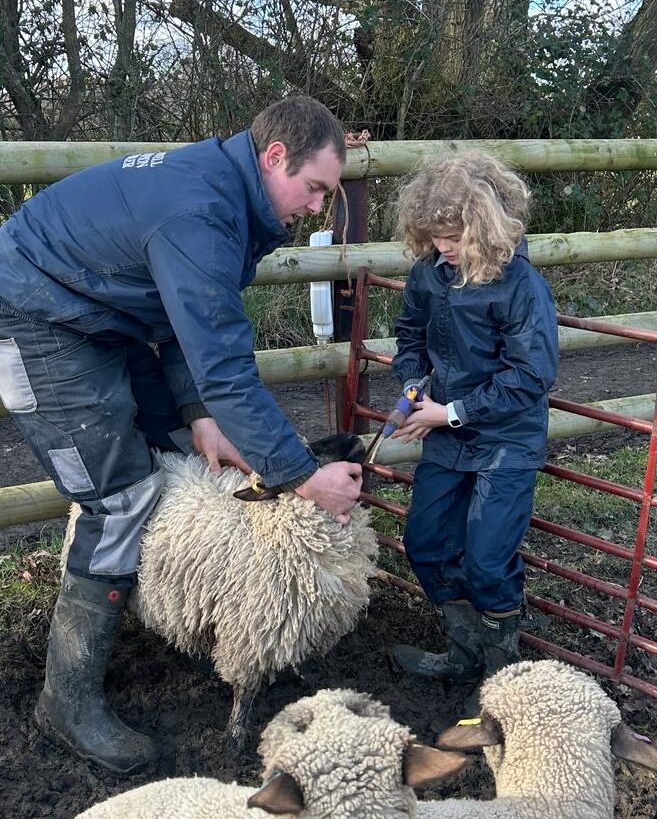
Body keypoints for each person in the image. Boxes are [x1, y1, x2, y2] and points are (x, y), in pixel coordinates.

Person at [0, 95, 363, 774]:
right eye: (314, 189)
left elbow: (177, 314)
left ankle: (188, 619)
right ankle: (67, 699)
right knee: (120, 496)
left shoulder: (225, 191)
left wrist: (197, 415)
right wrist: (302, 476)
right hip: (34, 316)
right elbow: (226, 369)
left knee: (174, 445)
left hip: (98, 312)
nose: (317, 208)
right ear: (274, 156)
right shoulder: (201, 212)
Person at [389, 152, 559, 684]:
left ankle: (501, 677)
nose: (444, 248)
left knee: (487, 560)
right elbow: (411, 333)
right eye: (436, 236)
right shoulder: (430, 274)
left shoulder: (520, 285)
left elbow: (532, 374)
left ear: (486, 226)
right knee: (426, 543)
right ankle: (464, 653)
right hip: (447, 431)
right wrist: (413, 384)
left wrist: (450, 413)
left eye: (455, 237)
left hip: (506, 438)